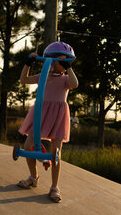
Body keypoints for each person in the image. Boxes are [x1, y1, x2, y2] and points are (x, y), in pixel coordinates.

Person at [16, 41, 79, 203]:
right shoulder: (43, 76)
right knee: (28, 145)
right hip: (40, 114)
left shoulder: (65, 79)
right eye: (60, 61)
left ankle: (54, 187)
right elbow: (24, 79)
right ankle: (33, 177)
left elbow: (74, 84)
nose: (57, 64)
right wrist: (28, 63)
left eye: (64, 61)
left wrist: (69, 67)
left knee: (56, 152)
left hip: (58, 116)